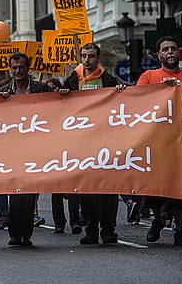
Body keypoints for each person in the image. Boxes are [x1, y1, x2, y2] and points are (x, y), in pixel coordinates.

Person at [57, 43, 123, 244]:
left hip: (105, 143)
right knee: (86, 190)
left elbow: (121, 104)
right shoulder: (73, 79)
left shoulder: (108, 80)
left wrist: (121, 92)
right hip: (82, 144)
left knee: (108, 189)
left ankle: (108, 230)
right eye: (84, 56)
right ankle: (91, 229)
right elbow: (61, 106)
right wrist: (61, 94)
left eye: (91, 56)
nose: (87, 60)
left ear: (98, 57)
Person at [137, 36, 182, 246]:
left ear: (178, 53)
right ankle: (158, 219)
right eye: (165, 49)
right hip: (158, 143)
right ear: (158, 54)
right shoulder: (149, 76)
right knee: (155, 186)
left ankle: (179, 230)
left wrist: (179, 88)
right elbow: (137, 99)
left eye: (173, 49)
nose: (170, 52)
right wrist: (161, 88)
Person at [0, 53, 51, 247]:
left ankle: (25, 233)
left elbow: (55, 109)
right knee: (14, 192)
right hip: (11, 148)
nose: (17, 71)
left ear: (28, 68)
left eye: (20, 67)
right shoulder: (2, 91)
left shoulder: (40, 89)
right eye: (14, 68)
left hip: (33, 147)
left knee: (28, 192)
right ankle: (14, 234)